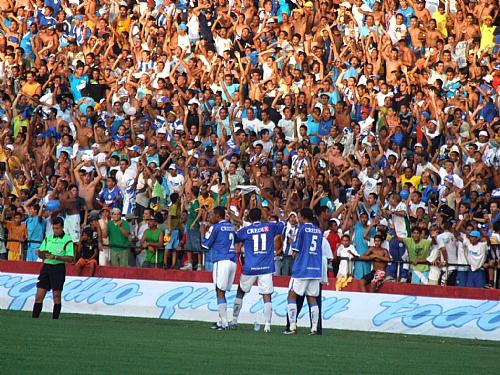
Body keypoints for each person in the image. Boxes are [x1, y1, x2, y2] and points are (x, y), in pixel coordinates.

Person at [232, 208, 284, 332]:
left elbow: (235, 238)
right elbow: (282, 224)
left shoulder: (246, 230)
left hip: (250, 267)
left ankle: (234, 320)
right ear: (261, 216)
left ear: (249, 218)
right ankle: (267, 325)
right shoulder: (269, 227)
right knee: (267, 295)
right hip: (266, 267)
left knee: (240, 291)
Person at [285, 207, 323, 336]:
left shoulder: (302, 229)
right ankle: (313, 328)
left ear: (303, 217)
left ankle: (292, 326)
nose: (297, 218)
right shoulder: (318, 230)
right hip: (316, 269)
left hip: (302, 269)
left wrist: (292, 246)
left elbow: (295, 252)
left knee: (292, 295)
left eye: (298, 216)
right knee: (312, 298)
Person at [201, 206, 237, 330]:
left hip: (221, 260)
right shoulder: (231, 226)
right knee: (222, 290)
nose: (210, 217)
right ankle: (222, 321)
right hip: (232, 261)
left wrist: (202, 232)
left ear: (218, 215)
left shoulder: (215, 227)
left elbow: (205, 245)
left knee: (219, 290)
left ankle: (225, 322)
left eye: (212, 215)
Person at [32, 217, 74, 319]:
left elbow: (70, 258)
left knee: (56, 296)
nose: (55, 230)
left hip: (58, 268)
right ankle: (34, 318)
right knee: (39, 296)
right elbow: (42, 253)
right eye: (54, 228)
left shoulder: (67, 240)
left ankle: (55, 319)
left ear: (62, 228)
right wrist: (39, 253)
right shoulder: (48, 238)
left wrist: (55, 256)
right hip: (46, 267)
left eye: (57, 228)